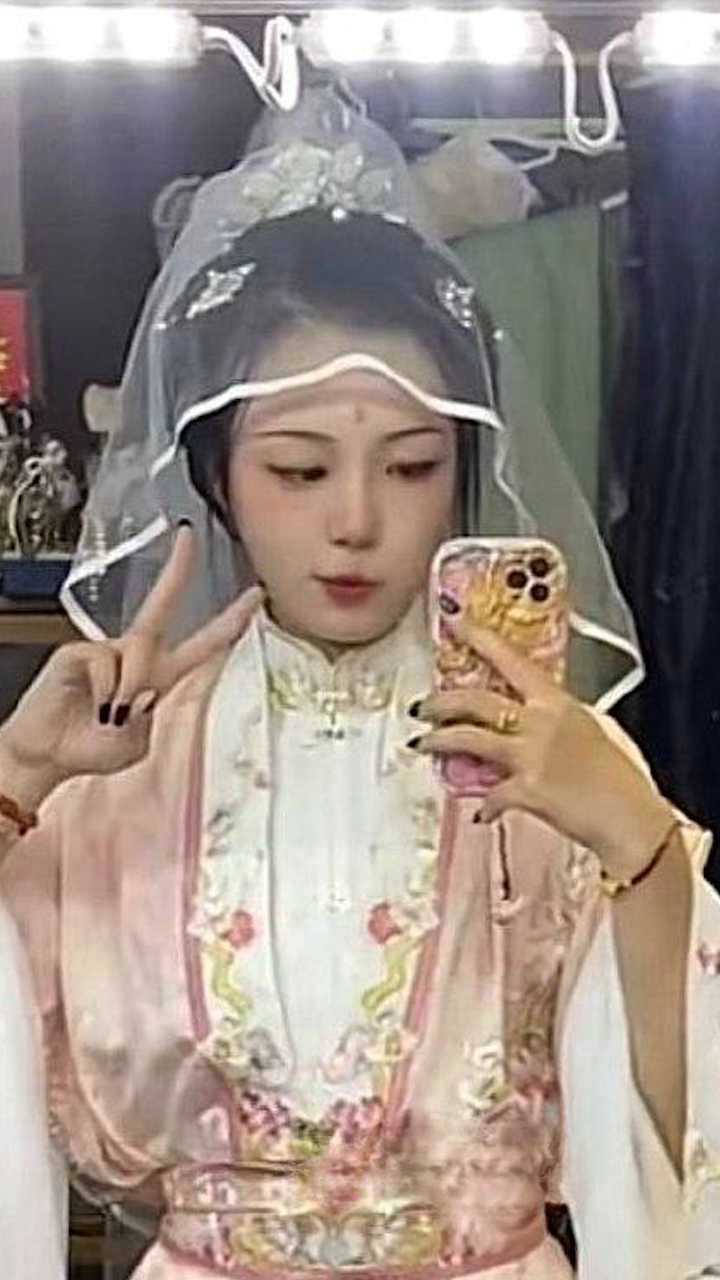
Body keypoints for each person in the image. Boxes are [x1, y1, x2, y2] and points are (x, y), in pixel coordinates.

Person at [1, 91, 719, 1280]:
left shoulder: (562, 762)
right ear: (216, 478)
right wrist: (19, 775)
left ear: (464, 467)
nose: (355, 519)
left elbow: (678, 1134)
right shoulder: (129, 766)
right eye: (298, 469)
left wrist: (639, 845)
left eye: (411, 464)